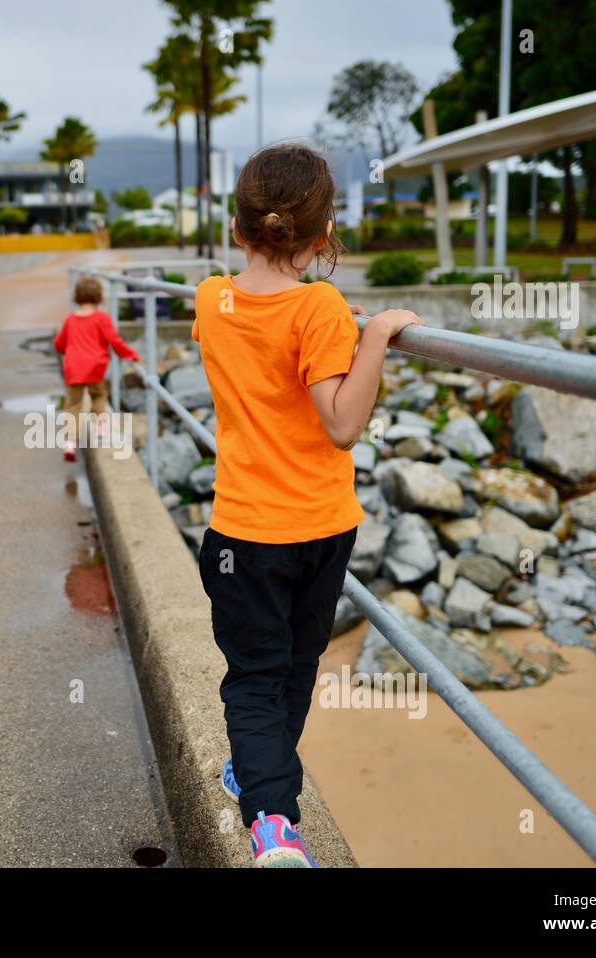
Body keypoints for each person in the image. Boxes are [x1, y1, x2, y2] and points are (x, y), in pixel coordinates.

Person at [192, 143, 422, 867]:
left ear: (238, 228)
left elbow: (258, 335)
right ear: (324, 234)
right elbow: (342, 423)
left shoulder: (209, 298)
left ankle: (269, 813)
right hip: (322, 530)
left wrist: (329, 326)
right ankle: (270, 809)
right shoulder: (322, 308)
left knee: (254, 677)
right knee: (295, 670)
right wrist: (376, 333)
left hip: (242, 534)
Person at [52, 277, 139, 461]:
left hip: (74, 368)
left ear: (76, 297)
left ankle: (70, 442)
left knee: (73, 405)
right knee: (98, 396)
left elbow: (59, 344)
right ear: (99, 298)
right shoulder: (102, 318)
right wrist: (129, 354)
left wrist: (64, 350)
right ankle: (100, 426)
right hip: (95, 367)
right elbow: (114, 341)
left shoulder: (70, 320)